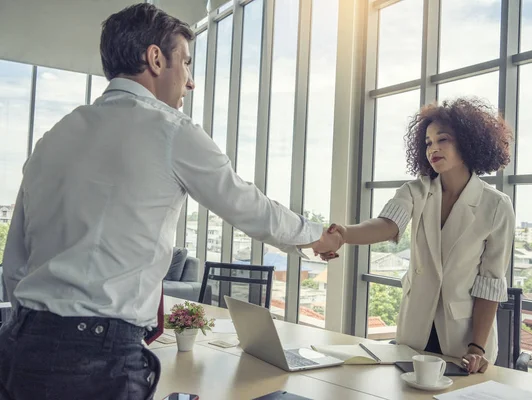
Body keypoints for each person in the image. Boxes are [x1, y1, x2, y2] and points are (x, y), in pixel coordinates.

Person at [0, 4, 342, 399]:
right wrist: (318, 236)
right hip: (94, 359)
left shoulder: (52, 138)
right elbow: (248, 206)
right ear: (156, 58)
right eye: (186, 62)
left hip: (19, 346)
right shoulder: (170, 131)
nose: (191, 81)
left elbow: (16, 260)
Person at [326, 98, 515, 374]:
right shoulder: (416, 190)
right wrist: (344, 234)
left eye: (443, 139)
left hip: (465, 340)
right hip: (415, 331)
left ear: (468, 141)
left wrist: (477, 347)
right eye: (427, 142)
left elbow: (490, 284)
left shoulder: (496, 205)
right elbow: (388, 224)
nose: (433, 148)